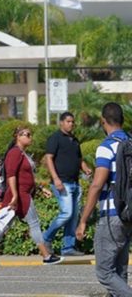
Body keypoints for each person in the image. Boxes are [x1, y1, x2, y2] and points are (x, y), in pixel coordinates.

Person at [0, 126, 63, 267]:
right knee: (34, 224)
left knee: (5, 224)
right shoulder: (15, 153)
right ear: (18, 136)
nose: (30, 137)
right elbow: (11, 175)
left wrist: (41, 188)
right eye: (27, 135)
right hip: (19, 195)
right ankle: (46, 256)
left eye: (30, 135)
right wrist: (16, 196)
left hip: (20, 194)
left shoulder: (22, 153)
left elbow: (25, 177)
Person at [76, 102, 132, 297]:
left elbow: (97, 185)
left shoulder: (106, 146)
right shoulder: (130, 142)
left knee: (105, 273)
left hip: (111, 213)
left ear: (103, 121)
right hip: (128, 212)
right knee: (120, 271)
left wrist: (83, 220)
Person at [43, 111, 92, 257]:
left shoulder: (74, 140)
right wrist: (56, 179)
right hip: (62, 182)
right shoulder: (55, 138)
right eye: (68, 121)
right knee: (66, 213)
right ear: (61, 123)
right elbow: (49, 159)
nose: (71, 124)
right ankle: (45, 238)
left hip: (75, 183)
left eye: (72, 122)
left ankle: (68, 247)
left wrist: (85, 168)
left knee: (73, 216)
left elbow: (79, 159)